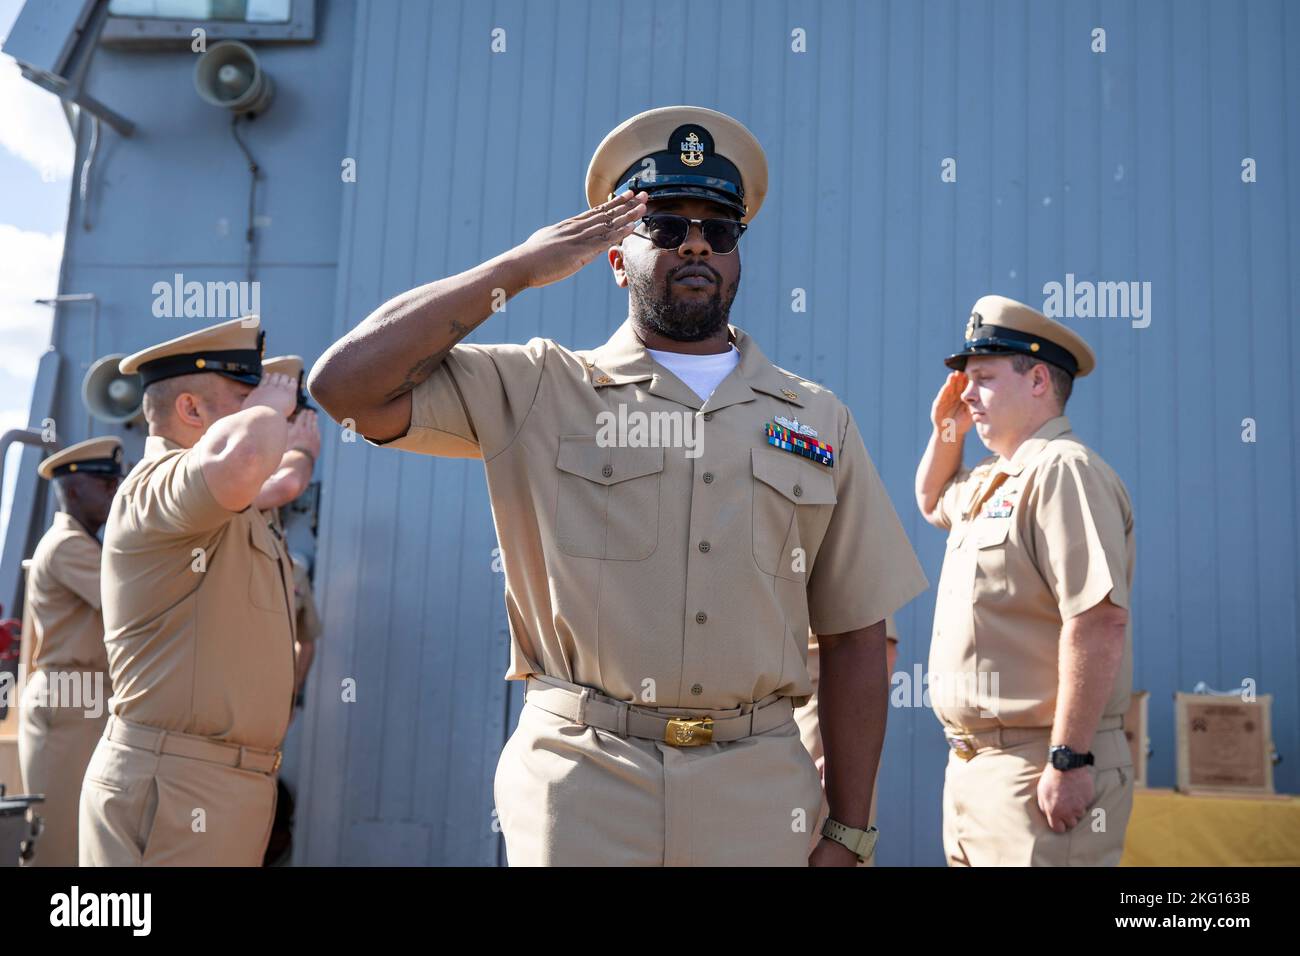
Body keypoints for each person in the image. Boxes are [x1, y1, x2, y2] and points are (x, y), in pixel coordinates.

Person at [310, 106, 927, 866]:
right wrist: (516, 271)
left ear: (736, 257)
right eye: (666, 227)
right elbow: (345, 388)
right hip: (583, 781)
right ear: (612, 257)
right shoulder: (540, 386)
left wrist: (850, 831)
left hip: (758, 787)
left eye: (719, 230)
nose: (696, 242)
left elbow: (856, 632)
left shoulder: (816, 417)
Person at [79, 317, 309, 866]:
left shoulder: (220, 508)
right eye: (243, 398)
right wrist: (272, 410)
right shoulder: (155, 486)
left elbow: (271, 481)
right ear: (190, 410)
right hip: (177, 786)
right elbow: (244, 460)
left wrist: (293, 445)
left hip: (221, 784)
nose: (266, 415)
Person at [915, 294, 1135, 866]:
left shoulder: (1064, 470)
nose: (966, 392)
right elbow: (931, 499)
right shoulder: (995, 476)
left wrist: (1070, 758)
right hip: (974, 771)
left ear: (1038, 380)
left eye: (983, 378)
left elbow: (1098, 619)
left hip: (1039, 765)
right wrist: (948, 425)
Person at [17, 437, 124, 865]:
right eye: (107, 484)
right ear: (75, 490)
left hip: (86, 694)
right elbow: (130, 599)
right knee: (61, 840)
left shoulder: (81, 543)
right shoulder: (68, 546)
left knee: (87, 835)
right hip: (72, 693)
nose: (116, 492)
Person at [794, 614, 897, 866]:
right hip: (787, 722)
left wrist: (846, 757)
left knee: (829, 848)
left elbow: (879, 649)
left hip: (824, 724)